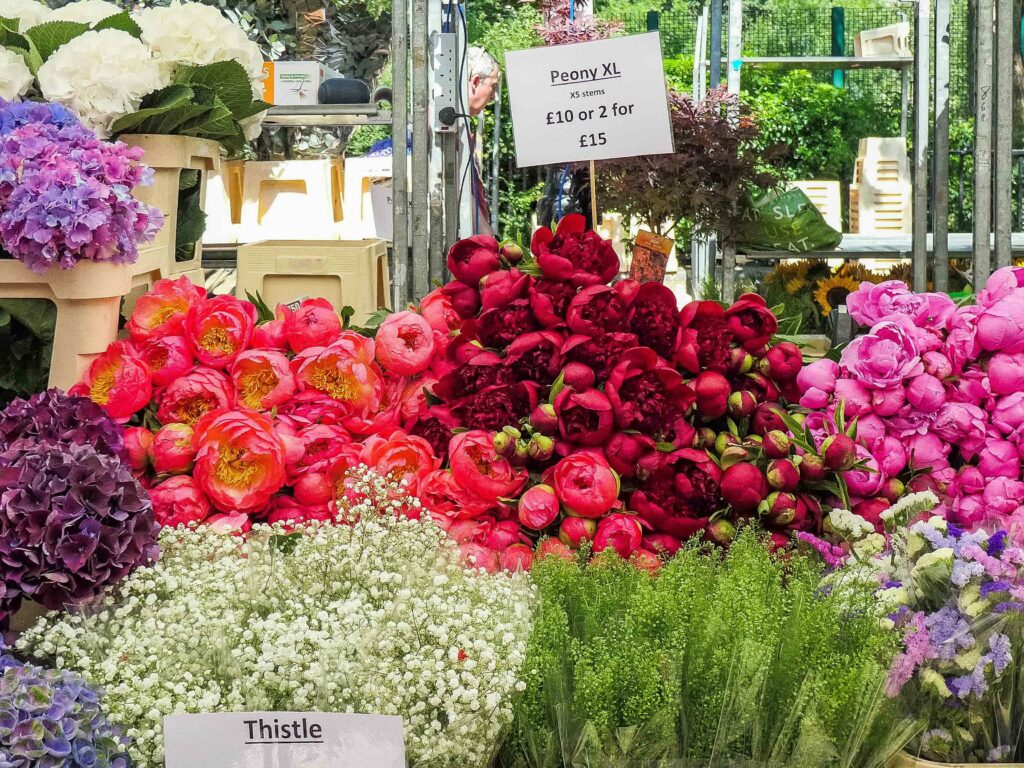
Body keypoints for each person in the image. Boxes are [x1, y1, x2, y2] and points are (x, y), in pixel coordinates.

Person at [465, 47, 500, 236]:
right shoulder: (447, 130)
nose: (493, 95)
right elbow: (461, 195)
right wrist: (486, 238)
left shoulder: (460, 125)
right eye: (492, 86)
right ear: (476, 81)